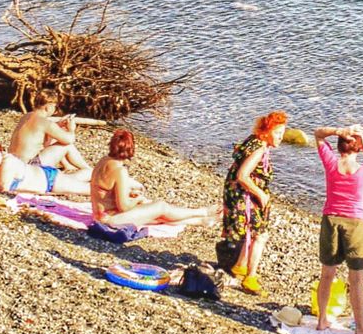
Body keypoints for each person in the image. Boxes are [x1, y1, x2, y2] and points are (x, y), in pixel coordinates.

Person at [313, 124, 363, 334]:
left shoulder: (330, 163)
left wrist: (339, 130)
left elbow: (317, 134)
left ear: (339, 146)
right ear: (358, 148)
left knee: (327, 274)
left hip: (331, 220)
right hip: (356, 223)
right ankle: (361, 328)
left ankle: (322, 320)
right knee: (356, 278)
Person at [220, 111, 287, 294]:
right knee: (260, 235)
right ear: (267, 131)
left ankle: (240, 265)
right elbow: (243, 175)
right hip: (245, 196)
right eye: (278, 133)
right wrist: (261, 194)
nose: (281, 138)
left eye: (282, 134)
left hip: (236, 193)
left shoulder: (253, 140)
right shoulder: (259, 149)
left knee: (251, 232)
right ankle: (251, 277)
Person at [90, 128, 212, 229]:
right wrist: (137, 199)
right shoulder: (120, 171)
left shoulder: (104, 161)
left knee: (153, 211)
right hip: (111, 219)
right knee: (161, 207)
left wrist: (132, 196)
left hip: (100, 215)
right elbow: (124, 207)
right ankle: (202, 212)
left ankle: (200, 221)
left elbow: (107, 192)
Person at [0, 139, 91, 196]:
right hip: (44, 178)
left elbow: (2, 187)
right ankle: (91, 172)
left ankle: (107, 183)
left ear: (1, 153)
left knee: (89, 190)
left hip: (49, 180)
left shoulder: (7, 161)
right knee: (76, 178)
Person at [8, 90, 91, 173]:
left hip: (14, 163)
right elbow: (69, 140)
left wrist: (58, 125)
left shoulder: (26, 117)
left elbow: (42, 137)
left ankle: (68, 167)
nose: (55, 110)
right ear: (48, 107)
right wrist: (71, 129)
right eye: (55, 106)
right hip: (29, 167)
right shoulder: (45, 122)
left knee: (55, 139)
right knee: (67, 145)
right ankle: (88, 170)